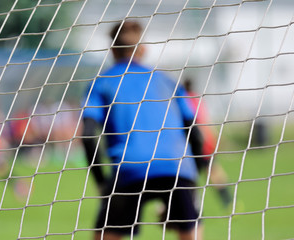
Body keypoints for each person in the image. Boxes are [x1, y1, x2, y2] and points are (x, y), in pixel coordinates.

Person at [82, 21, 202, 240]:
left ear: (112, 50)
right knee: (190, 229)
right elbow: (195, 133)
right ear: (143, 49)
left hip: (129, 169)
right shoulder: (168, 81)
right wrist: (192, 183)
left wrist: (102, 184)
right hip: (176, 167)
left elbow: (88, 135)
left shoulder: (102, 83)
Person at [183, 78, 232, 208]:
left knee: (188, 177)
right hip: (203, 142)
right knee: (213, 172)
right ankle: (229, 202)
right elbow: (205, 120)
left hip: (195, 143)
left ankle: (190, 205)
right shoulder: (197, 99)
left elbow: (197, 122)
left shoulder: (184, 100)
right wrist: (214, 137)